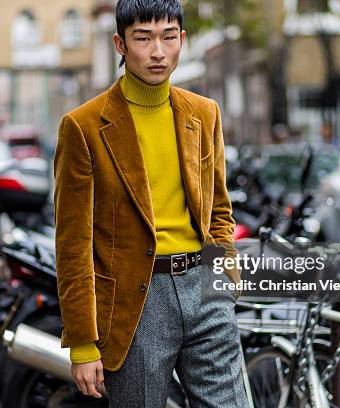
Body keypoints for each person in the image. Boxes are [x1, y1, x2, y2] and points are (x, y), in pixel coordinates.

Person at [53, 1, 246, 406]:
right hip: (134, 301)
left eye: (168, 37)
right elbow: (73, 244)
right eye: (143, 38)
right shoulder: (84, 127)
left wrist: (225, 273)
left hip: (204, 286)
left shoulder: (203, 113)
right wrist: (83, 343)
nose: (158, 51)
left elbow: (219, 211)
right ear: (120, 44)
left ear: (183, 40)